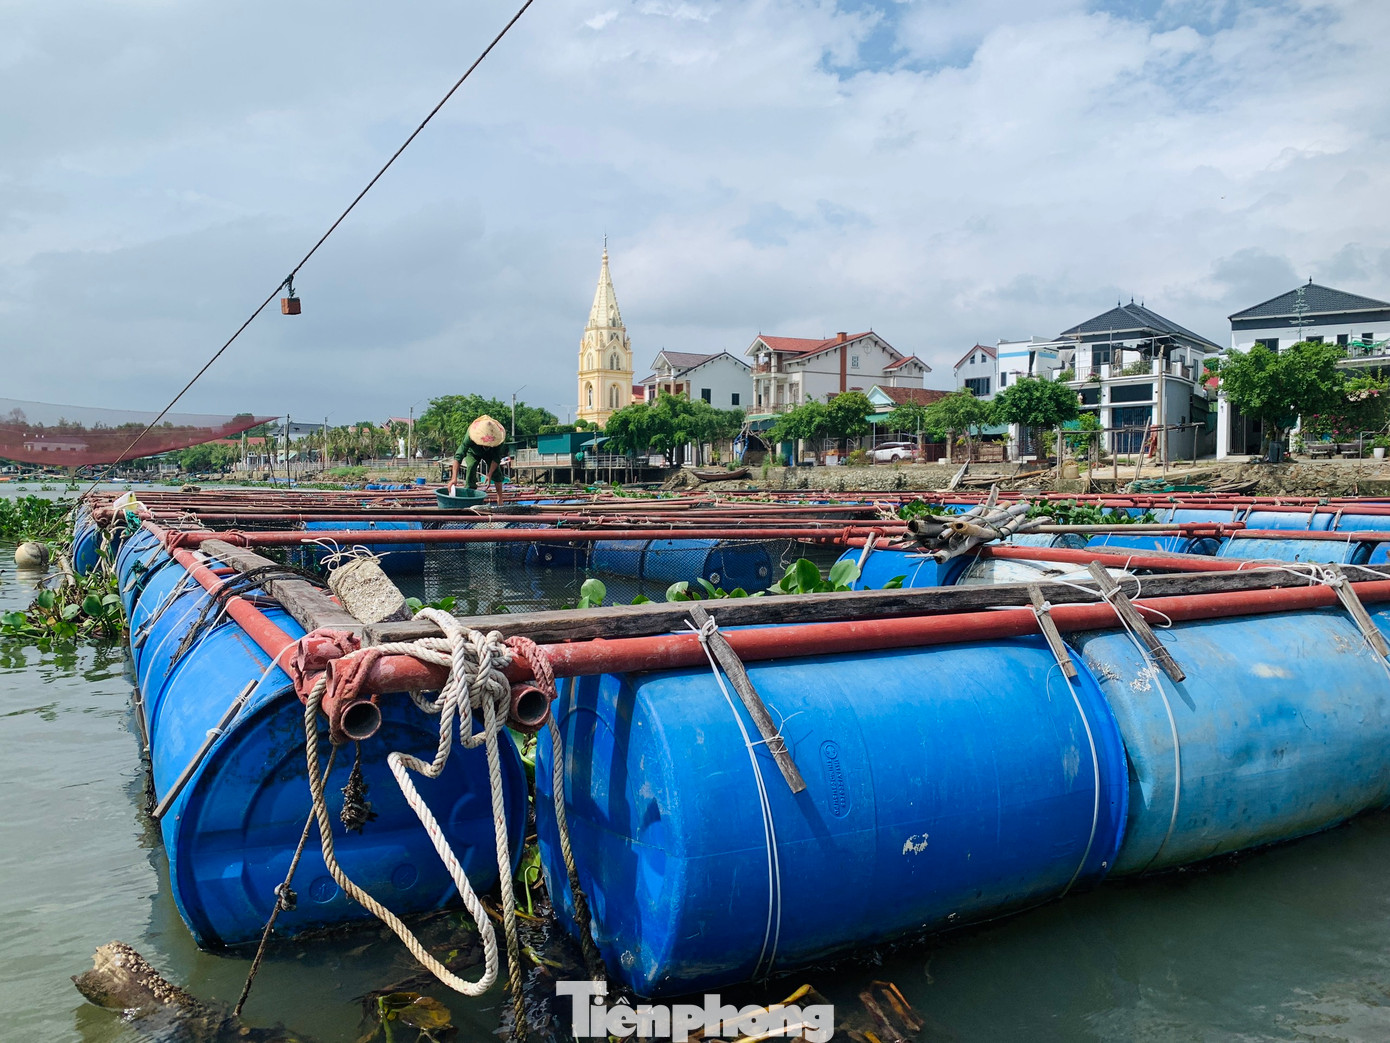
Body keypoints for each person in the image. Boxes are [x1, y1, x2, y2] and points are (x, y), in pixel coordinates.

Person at [450, 415, 508, 505]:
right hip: (473, 452)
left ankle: (500, 499)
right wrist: (454, 478)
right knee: (471, 466)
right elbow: (458, 455)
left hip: (490, 453)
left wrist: (489, 474)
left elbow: (496, 458)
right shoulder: (470, 436)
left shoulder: (499, 440)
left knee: (496, 472)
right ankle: (470, 494)